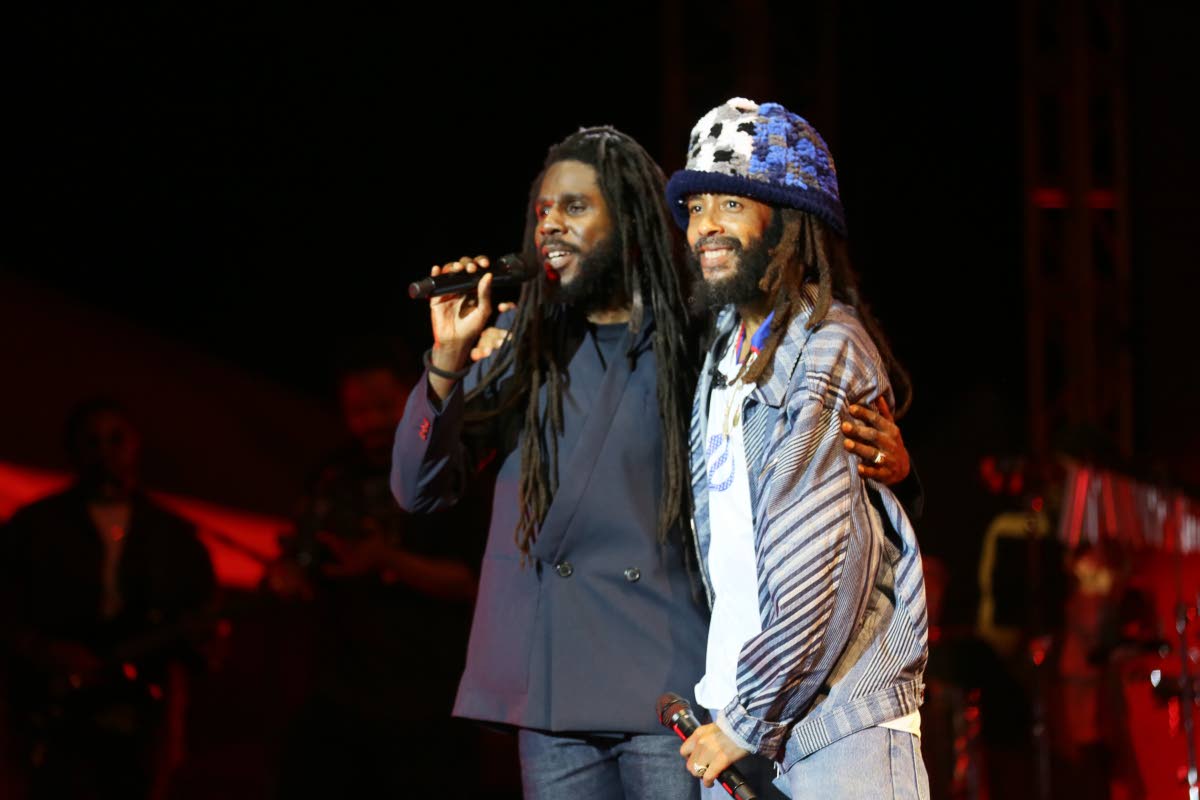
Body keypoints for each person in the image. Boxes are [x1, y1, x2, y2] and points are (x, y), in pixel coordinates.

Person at [392, 125, 913, 799]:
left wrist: (892, 465)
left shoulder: (703, 333)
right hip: (555, 697)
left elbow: (796, 445)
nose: (550, 225)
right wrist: (444, 364)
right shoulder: (524, 345)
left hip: (667, 685)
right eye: (543, 210)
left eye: (575, 207)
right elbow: (417, 491)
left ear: (630, 220)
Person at [665, 98, 930, 798]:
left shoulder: (826, 346)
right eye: (695, 207)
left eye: (731, 202)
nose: (705, 227)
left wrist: (746, 718)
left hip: (835, 729)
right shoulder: (724, 355)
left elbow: (818, 562)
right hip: (745, 719)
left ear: (786, 220)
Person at [267, 358, 480, 798]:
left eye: (384, 406)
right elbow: (302, 554)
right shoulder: (333, 473)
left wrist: (387, 559)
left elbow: (471, 581)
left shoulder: (453, 468)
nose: (371, 422)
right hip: (340, 697)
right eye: (358, 411)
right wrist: (291, 571)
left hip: (429, 705)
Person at [0, 399, 216, 800]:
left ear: (136, 445)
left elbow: (201, 619)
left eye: (116, 439)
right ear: (75, 451)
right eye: (92, 441)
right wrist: (43, 650)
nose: (105, 452)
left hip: (141, 712)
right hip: (52, 711)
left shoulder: (172, 535)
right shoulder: (34, 526)